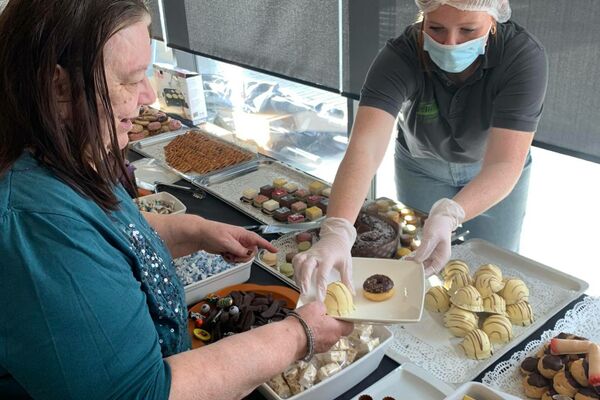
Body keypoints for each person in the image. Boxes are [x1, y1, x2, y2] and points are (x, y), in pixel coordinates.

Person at [0, 1, 353, 399]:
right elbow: (145, 392)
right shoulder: (36, 225)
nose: (149, 94)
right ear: (58, 86)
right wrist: (297, 335)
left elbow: (107, 235)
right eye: (131, 81)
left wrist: (193, 231)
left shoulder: (65, 154)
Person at [294, 0, 548, 299]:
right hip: (421, 165)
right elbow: (366, 146)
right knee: (421, 263)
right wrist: (337, 229)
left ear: (494, 20)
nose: (450, 43)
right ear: (423, 16)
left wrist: (451, 212)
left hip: (491, 170)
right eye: (436, 28)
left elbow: (504, 163)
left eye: (468, 30)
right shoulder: (400, 56)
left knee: (493, 272)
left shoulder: (522, 57)